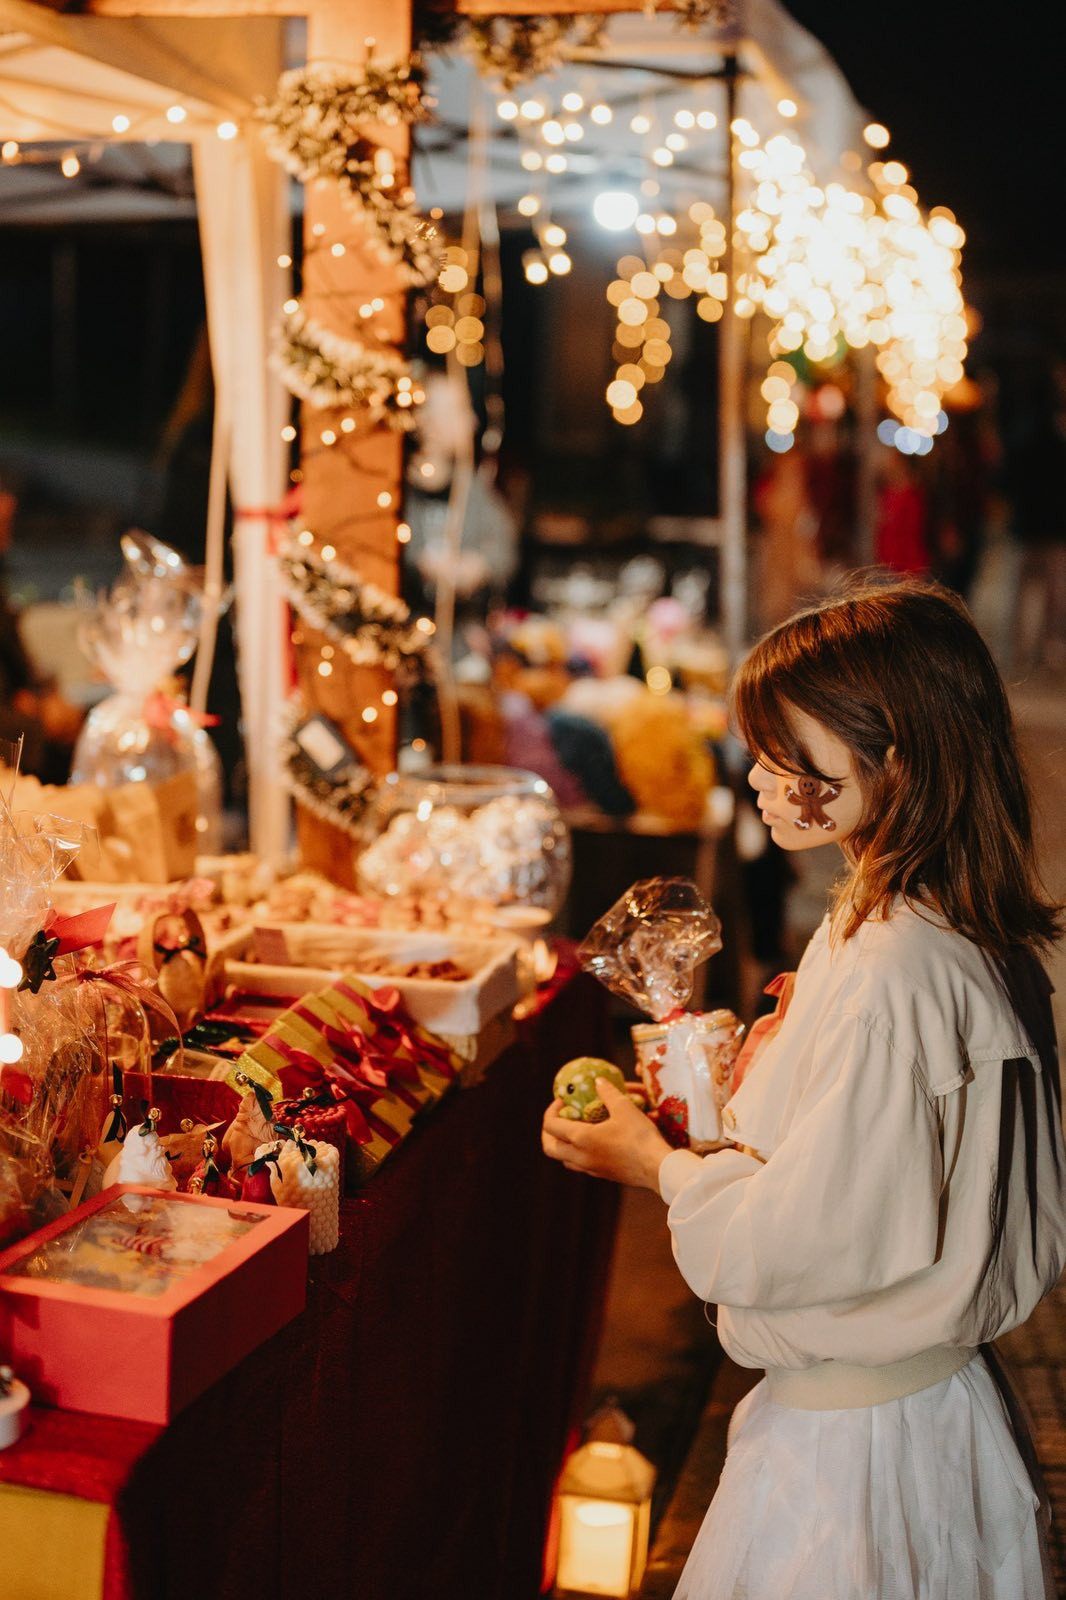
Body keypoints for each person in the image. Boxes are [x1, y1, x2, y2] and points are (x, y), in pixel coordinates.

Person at [543, 576, 1066, 1599]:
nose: (761, 779)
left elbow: (805, 1235)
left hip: (856, 1456)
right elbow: (877, 1163)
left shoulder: (888, 961)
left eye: (791, 755)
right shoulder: (940, 927)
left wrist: (654, 1166)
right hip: (918, 1412)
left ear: (895, 759)